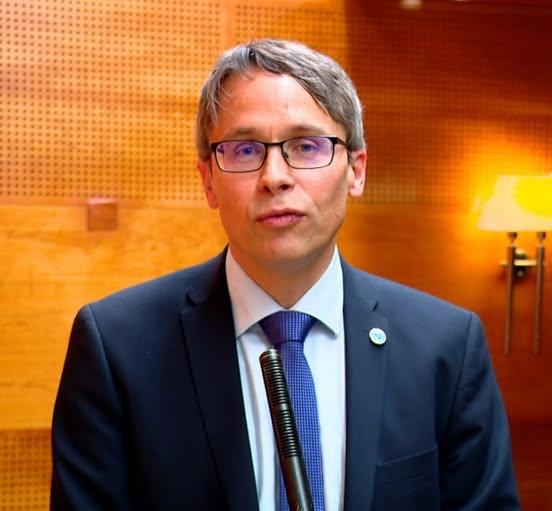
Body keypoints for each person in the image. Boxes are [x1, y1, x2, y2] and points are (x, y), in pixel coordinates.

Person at [50, 39, 520, 510]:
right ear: (208, 180)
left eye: (307, 146)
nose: (274, 176)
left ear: (356, 170)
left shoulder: (446, 346)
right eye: (244, 150)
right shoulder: (117, 347)